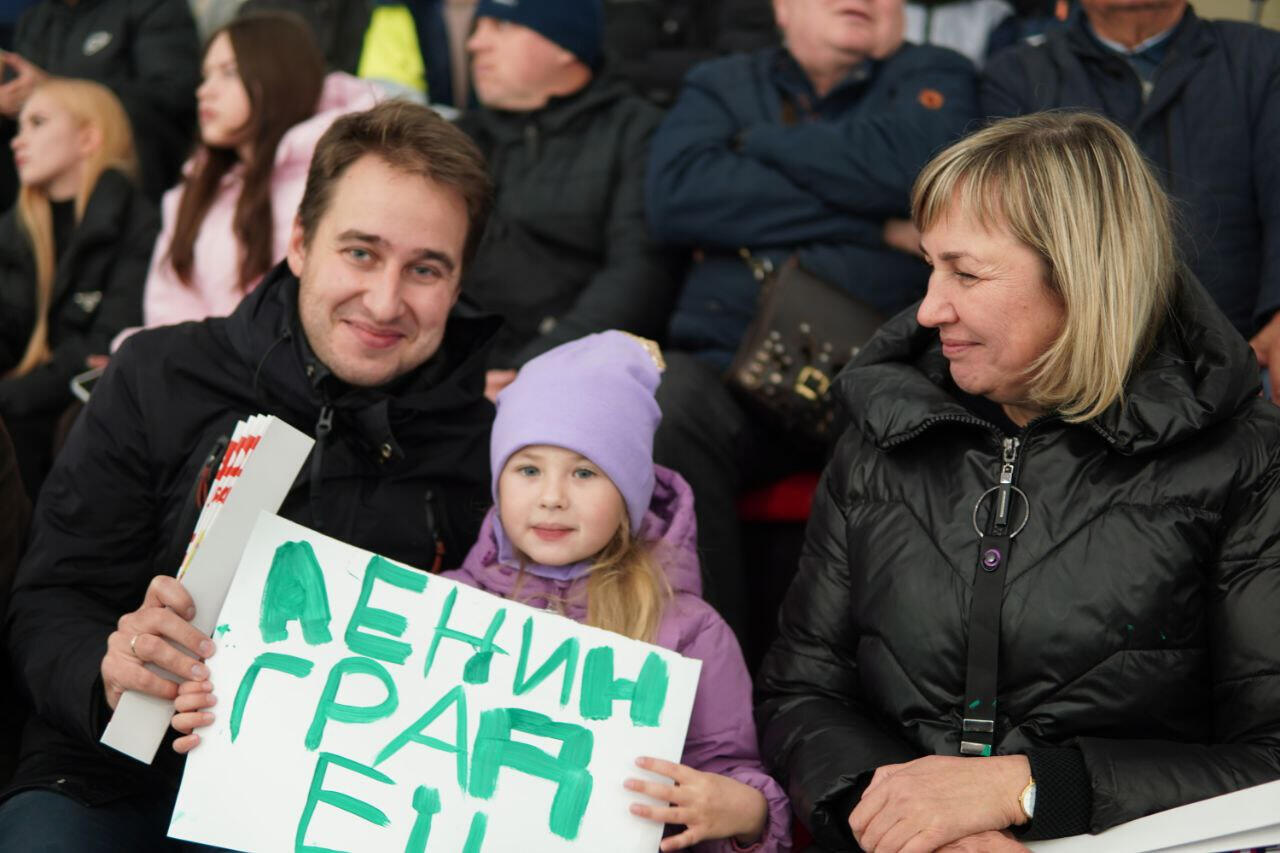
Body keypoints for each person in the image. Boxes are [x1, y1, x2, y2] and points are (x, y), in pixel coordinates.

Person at [755, 111, 1280, 852]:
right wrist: (914, 825)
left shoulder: (1247, 458)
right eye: (930, 266)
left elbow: (1271, 754)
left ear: (1083, 276)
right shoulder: (886, 427)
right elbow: (802, 692)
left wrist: (1030, 789)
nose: (930, 308)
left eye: (966, 273)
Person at [0, 99, 500, 851]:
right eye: (360, 253)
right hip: (111, 778)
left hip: (339, 809)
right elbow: (51, 597)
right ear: (299, 242)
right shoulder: (159, 373)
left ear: (457, 286)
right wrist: (104, 669)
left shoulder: (494, 449)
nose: (385, 301)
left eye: (425, 269)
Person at [172, 331, 795, 851]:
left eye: (585, 472)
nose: (552, 497)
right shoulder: (441, 606)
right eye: (528, 469)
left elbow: (728, 772)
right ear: (498, 483)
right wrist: (224, 704)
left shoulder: (689, 632)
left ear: (630, 492)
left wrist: (745, 813)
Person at [645, 0, 978, 637]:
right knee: (671, 403)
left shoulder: (937, 72)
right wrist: (874, 224)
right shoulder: (721, 83)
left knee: (927, 426)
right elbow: (680, 198)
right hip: (729, 371)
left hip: (880, 374)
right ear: (783, 7)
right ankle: (708, 666)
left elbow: (926, 175)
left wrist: (759, 145)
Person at [980, 0, 1280, 401]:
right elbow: (1010, 230)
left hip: (1244, 352)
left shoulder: (1259, 57)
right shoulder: (1019, 72)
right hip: (1080, 362)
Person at [114, 11, 378, 345]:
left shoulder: (339, 181)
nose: (204, 92)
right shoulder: (194, 187)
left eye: (228, 73)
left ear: (278, 75)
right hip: (202, 367)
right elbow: (168, 306)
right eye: (205, 76)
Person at [459, 0, 678, 399]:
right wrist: (452, 378)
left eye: (501, 26)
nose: (475, 43)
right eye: (478, 26)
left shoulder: (637, 133)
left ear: (565, 44)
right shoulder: (453, 141)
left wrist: (532, 371)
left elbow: (640, 274)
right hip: (459, 374)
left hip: (580, 380)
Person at [0, 77, 156, 498]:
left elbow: (104, 345)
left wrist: (7, 396)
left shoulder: (139, 224)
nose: (17, 140)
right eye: (19, 126)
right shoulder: (17, 227)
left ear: (89, 138)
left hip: (70, 421)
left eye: (37, 123)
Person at [3, 0, 201, 201]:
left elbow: (173, 96)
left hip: (132, 189)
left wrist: (55, 91)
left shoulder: (153, 5)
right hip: (45, 199)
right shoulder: (35, 20)